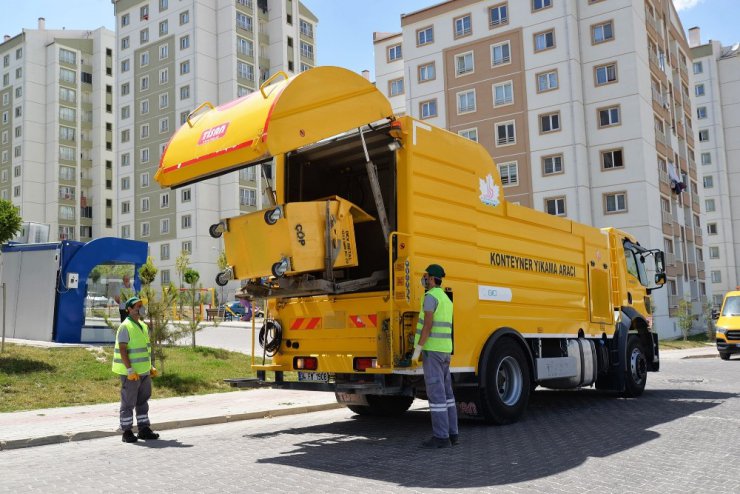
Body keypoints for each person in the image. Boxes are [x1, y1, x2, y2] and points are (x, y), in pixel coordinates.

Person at [412, 264, 458, 449]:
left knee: (436, 394)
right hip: (445, 351)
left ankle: (441, 437)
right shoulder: (446, 299)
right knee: (447, 395)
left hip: (433, 352)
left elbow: (427, 326)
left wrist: (417, 350)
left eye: (426, 276)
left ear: (432, 279)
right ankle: (453, 434)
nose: (424, 279)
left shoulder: (430, 298)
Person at [112, 296, 160, 443]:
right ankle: (126, 431)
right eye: (137, 306)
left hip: (144, 372)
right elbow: (123, 350)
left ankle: (143, 429)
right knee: (128, 402)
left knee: (143, 401)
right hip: (131, 373)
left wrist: (150, 367)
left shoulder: (143, 326)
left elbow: (145, 349)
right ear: (129, 309)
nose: (139, 309)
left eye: (141, 306)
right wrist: (129, 370)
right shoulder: (125, 326)